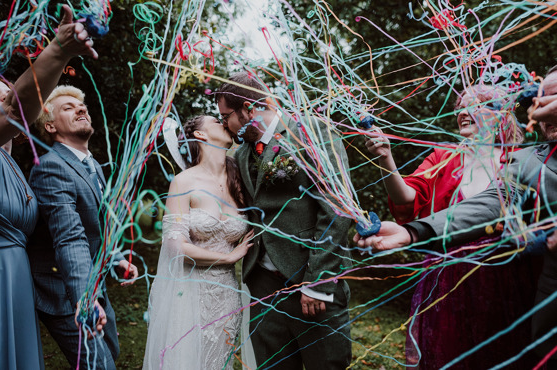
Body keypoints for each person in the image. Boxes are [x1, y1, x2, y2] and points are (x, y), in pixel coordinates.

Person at [355, 65, 557, 368]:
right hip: (450, 272)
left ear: (501, 113)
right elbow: (487, 202)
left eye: (477, 106)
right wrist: (410, 229)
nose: (465, 112)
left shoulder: (519, 155)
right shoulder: (448, 156)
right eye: (461, 107)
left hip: (507, 273)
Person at [0, 6, 97, 369]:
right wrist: (59, 50)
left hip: (17, 286)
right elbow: (18, 108)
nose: (4, 97)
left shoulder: (14, 166)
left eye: (7, 91)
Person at [216, 72, 353, 369]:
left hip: (310, 281)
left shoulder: (313, 133)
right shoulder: (240, 154)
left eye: (228, 116)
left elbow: (337, 209)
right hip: (263, 288)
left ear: (251, 109)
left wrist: (317, 282)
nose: (225, 124)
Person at [28, 85, 139, 369]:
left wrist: (116, 259)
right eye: (68, 107)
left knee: (109, 354)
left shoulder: (92, 166)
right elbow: (69, 238)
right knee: (100, 365)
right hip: (66, 292)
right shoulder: (50, 167)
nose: (81, 108)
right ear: (50, 126)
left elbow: (95, 226)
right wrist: (85, 297)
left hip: (94, 284)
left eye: (81, 106)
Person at [143, 115, 254, 369]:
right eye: (216, 120)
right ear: (201, 135)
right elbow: (174, 245)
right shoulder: (183, 181)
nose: (224, 123)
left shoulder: (239, 179)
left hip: (227, 295)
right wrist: (228, 257)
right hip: (190, 292)